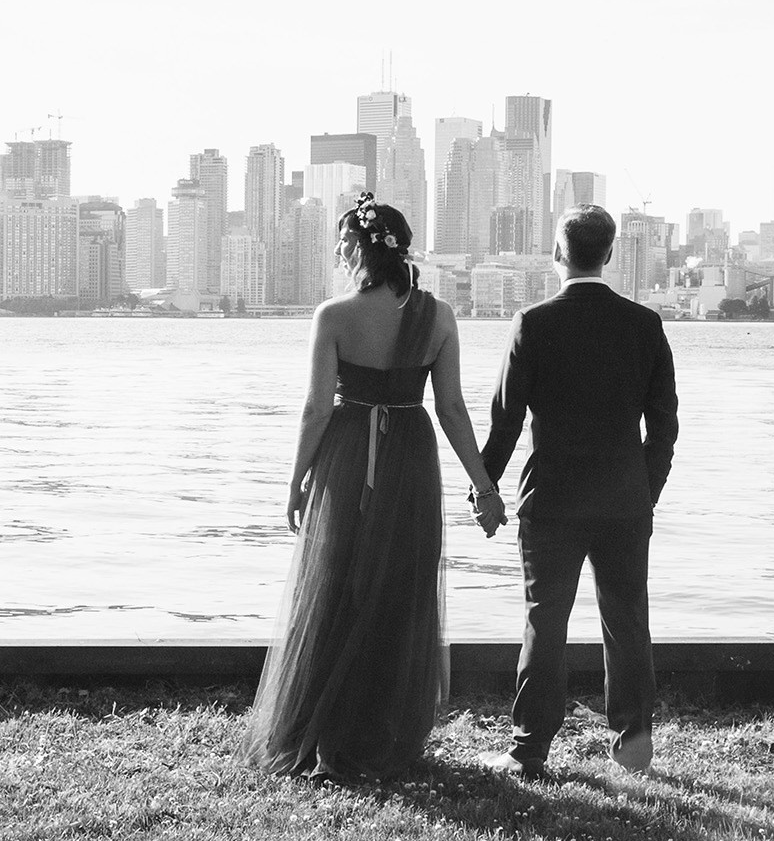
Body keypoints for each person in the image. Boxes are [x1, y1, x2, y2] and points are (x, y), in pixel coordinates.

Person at [244, 193, 507, 781]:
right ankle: (381, 727)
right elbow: (453, 409)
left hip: (346, 452)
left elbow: (315, 410)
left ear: (364, 247)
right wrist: (484, 487)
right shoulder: (437, 316)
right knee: (398, 588)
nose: (337, 251)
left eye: (342, 241)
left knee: (336, 583)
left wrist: (295, 481)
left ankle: (322, 723)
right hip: (409, 457)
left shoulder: (333, 316)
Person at [478, 204, 679, 779]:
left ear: (557, 253)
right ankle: (634, 740)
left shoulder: (532, 323)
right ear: (610, 254)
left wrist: (484, 489)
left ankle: (528, 750)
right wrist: (646, 489)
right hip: (624, 499)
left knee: (545, 620)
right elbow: (663, 425)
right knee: (627, 619)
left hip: (554, 500)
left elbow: (505, 422)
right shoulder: (646, 326)